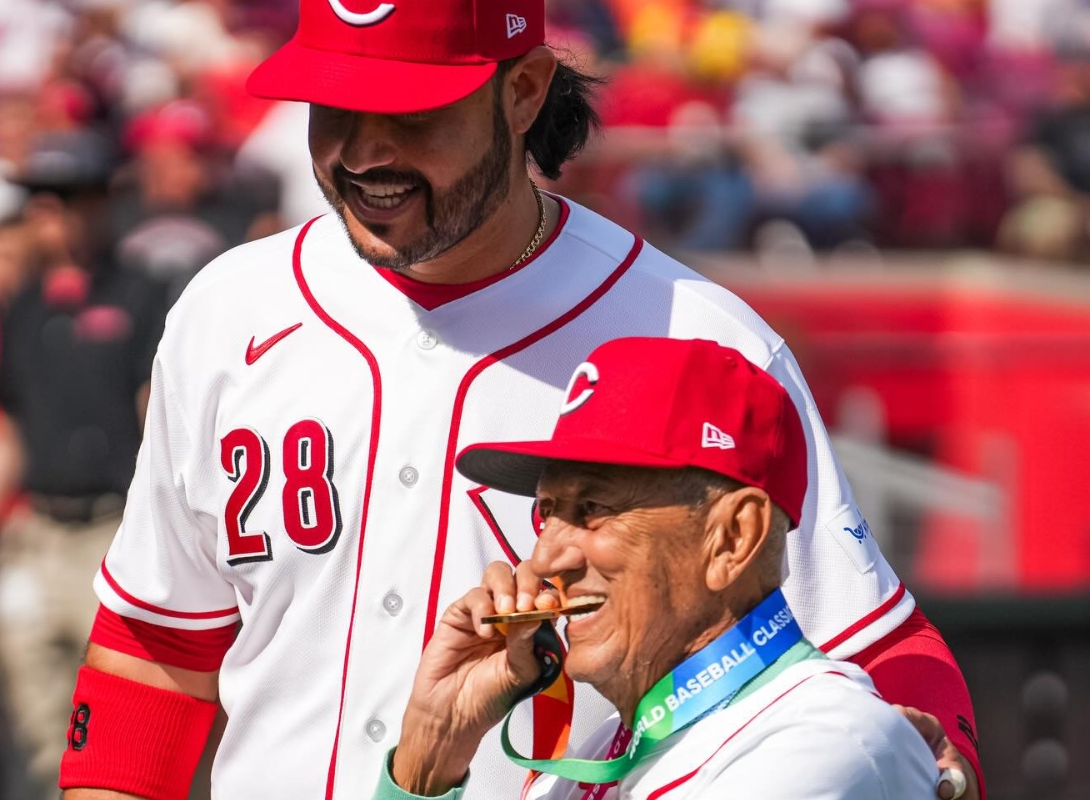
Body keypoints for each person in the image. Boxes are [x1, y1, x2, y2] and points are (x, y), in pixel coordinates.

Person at [59, 2, 981, 799]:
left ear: (524, 91)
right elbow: (155, 643)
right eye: (335, 106)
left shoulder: (696, 339)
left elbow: (877, 651)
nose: (365, 151)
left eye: (408, 112)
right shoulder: (229, 310)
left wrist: (939, 767)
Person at [376, 336, 940, 799]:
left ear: (733, 538)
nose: (545, 558)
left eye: (592, 510)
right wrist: (432, 753)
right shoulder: (600, 757)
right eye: (546, 512)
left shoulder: (826, 742)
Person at [0, 130, 166, 798]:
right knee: (36, 734)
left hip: (111, 530)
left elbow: (160, 419)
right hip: (36, 532)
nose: (47, 212)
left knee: (116, 731)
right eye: (39, 199)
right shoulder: (23, 307)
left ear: (98, 202)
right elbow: (6, 425)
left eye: (63, 197)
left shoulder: (144, 295)